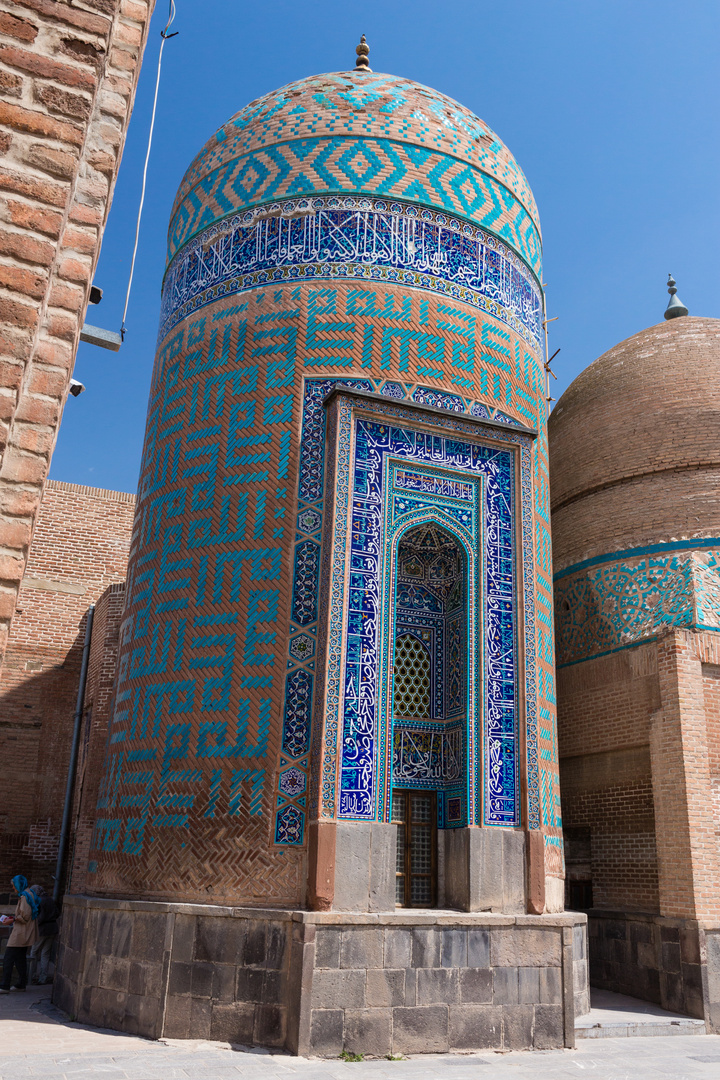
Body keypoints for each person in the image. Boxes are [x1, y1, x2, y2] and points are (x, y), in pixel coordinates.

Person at [0, 876, 40, 993]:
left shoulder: (25, 896)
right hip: (25, 931)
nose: (13, 888)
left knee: (9, 957)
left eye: (14, 885)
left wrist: (11, 920)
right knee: (20, 959)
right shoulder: (28, 894)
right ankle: (21, 984)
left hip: (21, 932)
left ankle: (5, 985)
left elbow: (25, 916)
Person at [29, 886, 59, 985]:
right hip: (52, 928)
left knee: (34, 952)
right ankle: (43, 978)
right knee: (45, 954)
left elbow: (40, 918)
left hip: (42, 930)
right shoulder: (50, 899)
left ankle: (31, 975)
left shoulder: (40, 901)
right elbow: (57, 913)